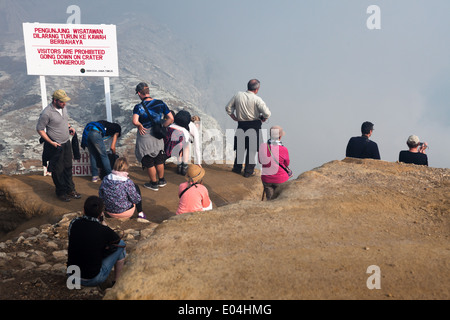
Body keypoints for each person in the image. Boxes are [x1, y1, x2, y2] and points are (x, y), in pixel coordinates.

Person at [67, 196, 126, 287]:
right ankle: (116, 281)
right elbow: (117, 240)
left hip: (71, 275)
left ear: (84, 210)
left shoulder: (74, 222)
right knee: (121, 244)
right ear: (101, 213)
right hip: (92, 279)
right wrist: (103, 222)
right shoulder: (103, 230)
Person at [36, 89, 82, 202]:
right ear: (55, 100)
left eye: (65, 101)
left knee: (68, 167)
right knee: (58, 170)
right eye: (62, 102)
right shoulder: (46, 113)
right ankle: (61, 192)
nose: (64, 103)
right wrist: (51, 142)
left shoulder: (63, 108)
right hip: (55, 145)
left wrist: (69, 126)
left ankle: (70, 190)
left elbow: (64, 120)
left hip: (66, 142)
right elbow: (40, 129)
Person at [225, 79, 271, 177]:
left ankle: (237, 169)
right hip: (254, 125)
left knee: (241, 148)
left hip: (241, 124)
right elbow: (267, 113)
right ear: (257, 89)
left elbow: (228, 108)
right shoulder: (257, 99)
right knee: (252, 150)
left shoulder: (238, 95)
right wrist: (264, 118)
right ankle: (248, 172)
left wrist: (234, 117)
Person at [132, 82, 174, 191]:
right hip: (157, 134)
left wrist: (140, 125)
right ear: (148, 92)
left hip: (145, 135)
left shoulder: (139, 107)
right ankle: (161, 180)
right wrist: (162, 126)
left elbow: (135, 121)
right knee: (159, 158)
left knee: (149, 160)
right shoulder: (160, 103)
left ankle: (154, 183)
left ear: (140, 93)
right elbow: (171, 118)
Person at [258, 126, 291, 200]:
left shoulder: (262, 146)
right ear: (280, 136)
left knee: (270, 199)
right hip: (281, 179)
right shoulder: (284, 149)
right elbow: (286, 164)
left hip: (267, 178)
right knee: (280, 199)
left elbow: (260, 161)